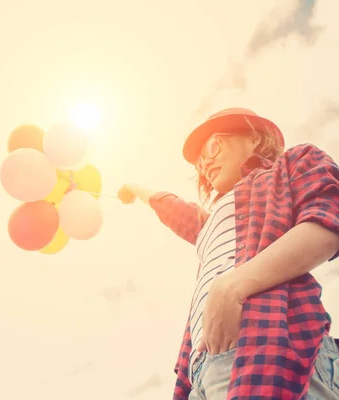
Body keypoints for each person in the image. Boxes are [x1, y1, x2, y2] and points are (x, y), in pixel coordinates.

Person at [117, 108, 339, 399]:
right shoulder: (209, 224)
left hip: (268, 344)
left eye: (212, 146)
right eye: (199, 162)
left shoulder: (292, 164)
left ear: (255, 139)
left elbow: (329, 223)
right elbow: (172, 210)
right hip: (199, 374)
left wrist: (232, 286)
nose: (205, 162)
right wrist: (134, 188)